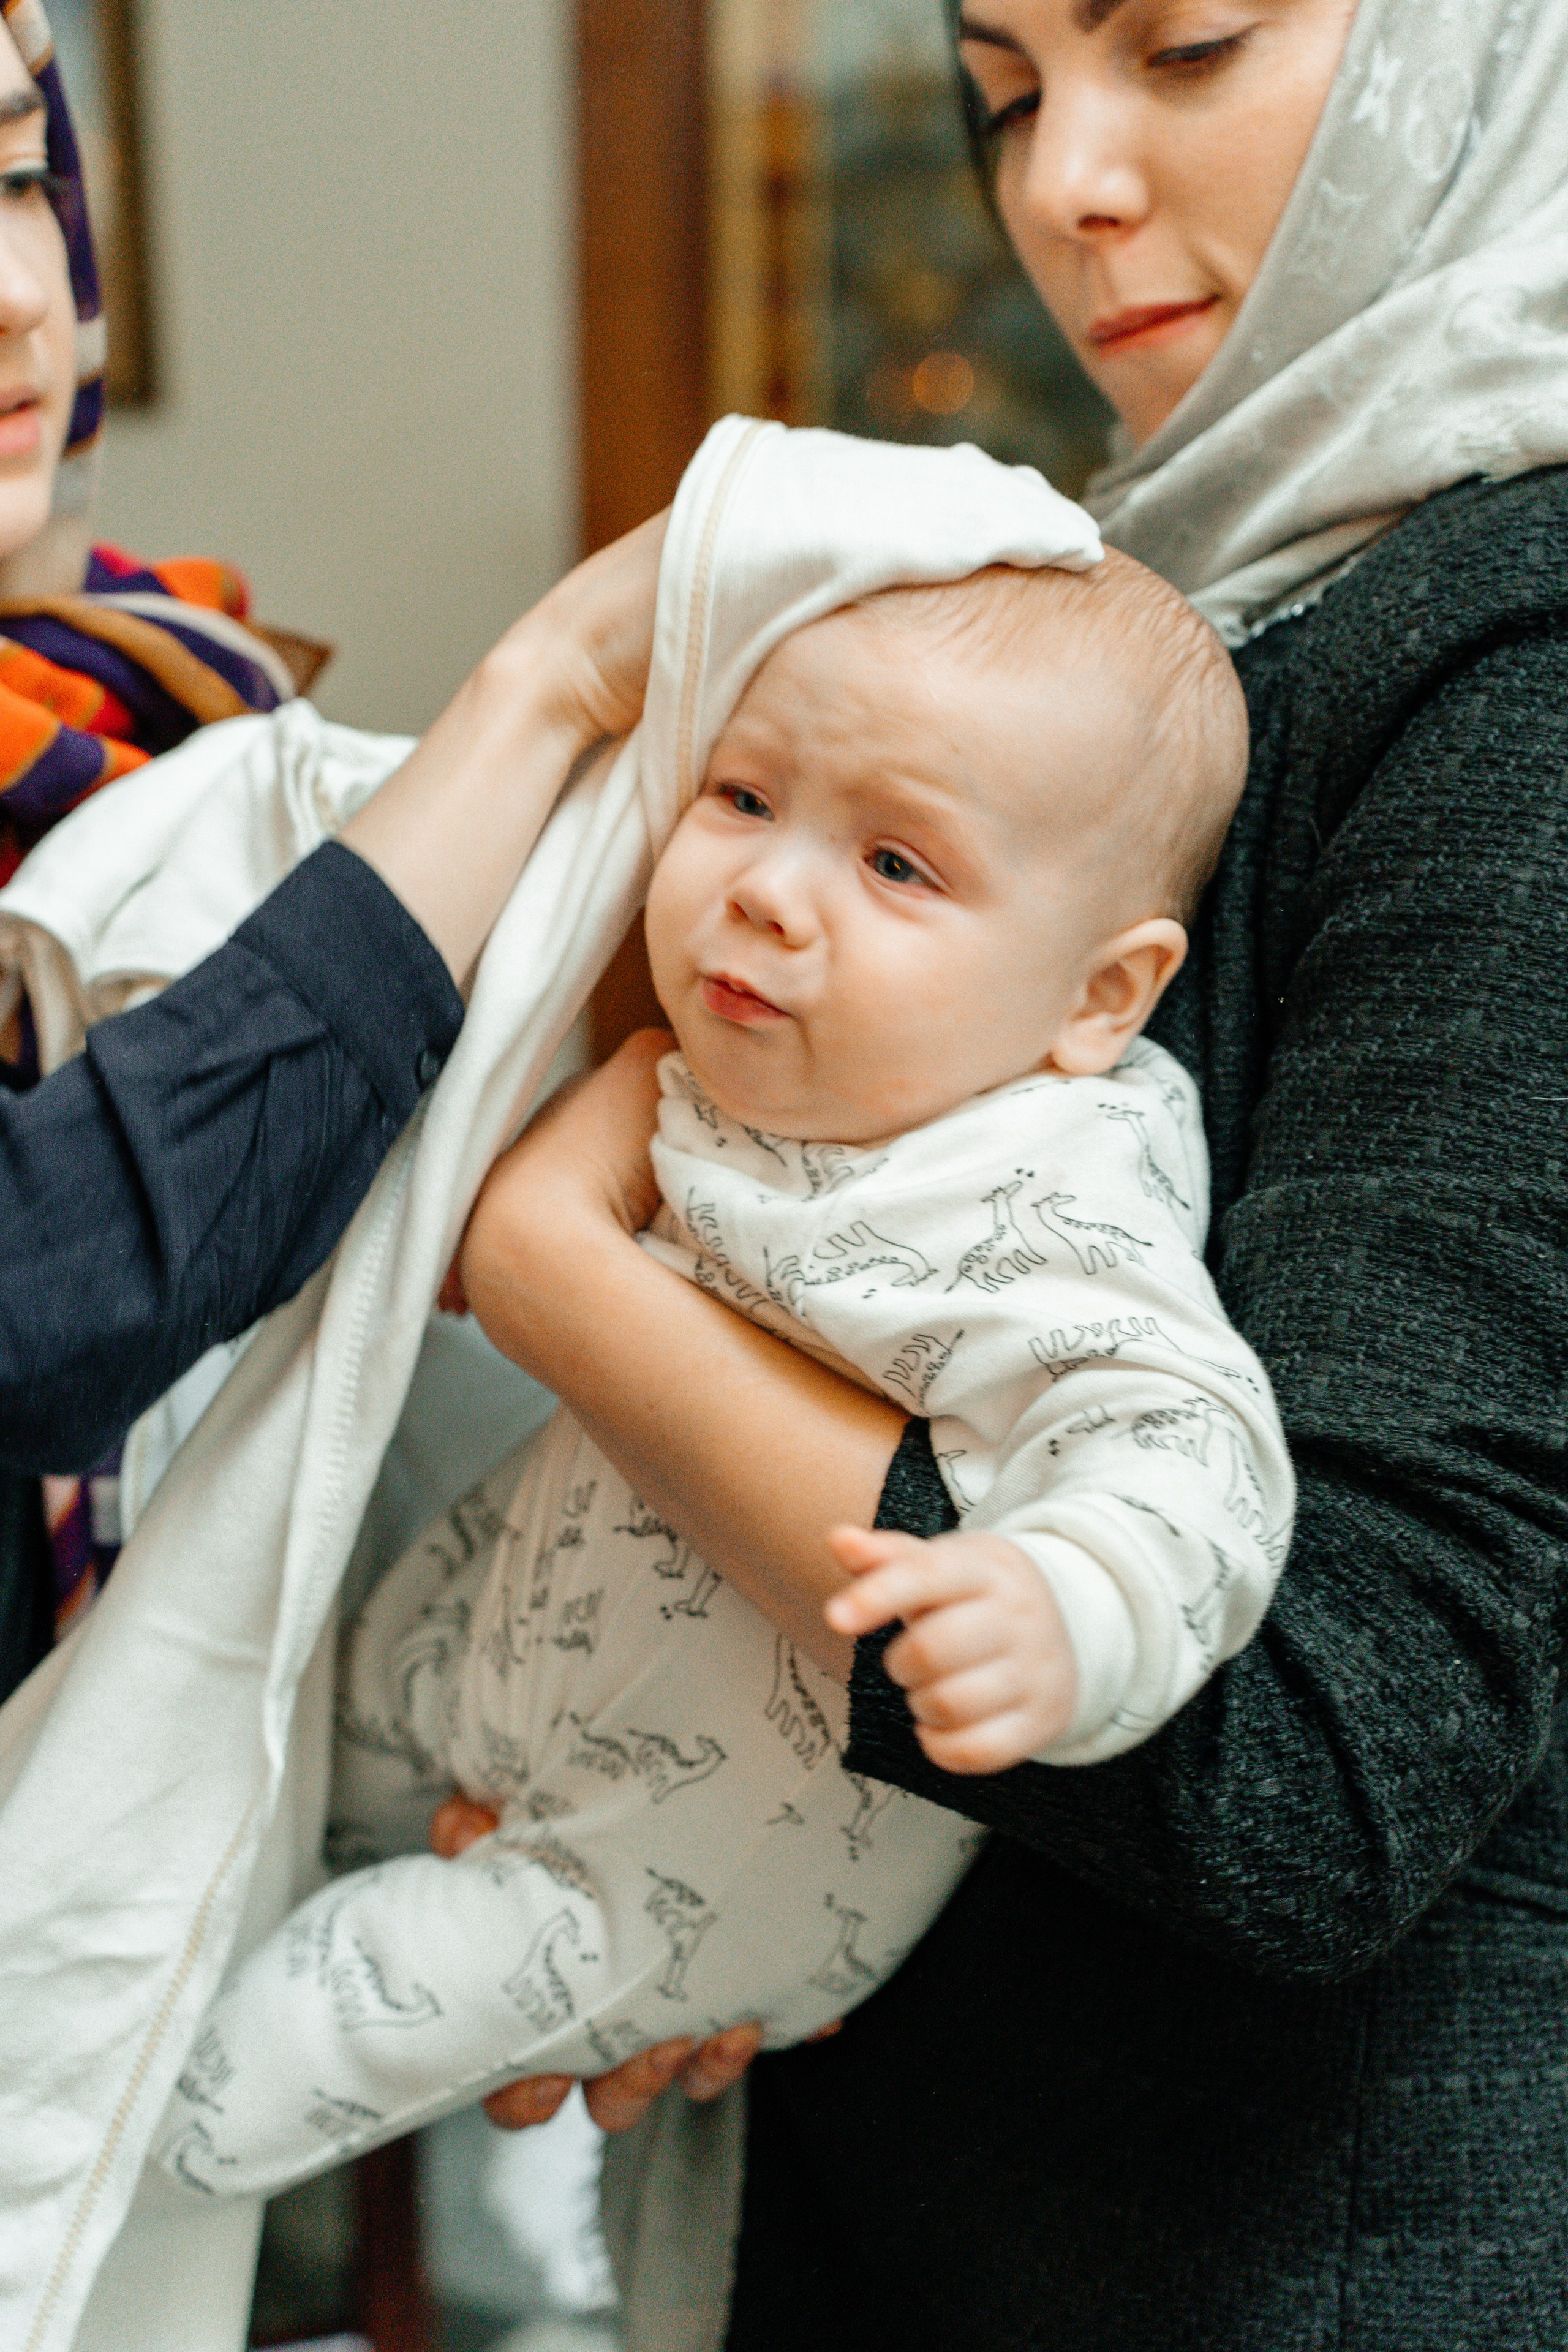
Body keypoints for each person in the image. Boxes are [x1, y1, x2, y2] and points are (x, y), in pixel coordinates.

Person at [440, 0, 1568, 2342]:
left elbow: (1321, 1765)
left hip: (1295, 2243)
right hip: (982, 2177)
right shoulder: (1191, 597)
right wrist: (709, 1834)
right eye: (1006, 90)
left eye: (1186, 45)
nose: (1063, 185)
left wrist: (567, 1274)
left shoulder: (1522, 663)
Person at [149, 541, 1292, 2200]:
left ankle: (97, 2137)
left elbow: (1191, 1440)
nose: (766, 888)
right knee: (212, 1758)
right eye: (746, 797)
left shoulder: (1041, 1189)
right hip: (492, 1639)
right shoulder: (725, 1078)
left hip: (677, 1875)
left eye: (896, 863)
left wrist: (1069, 1600)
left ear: (1098, 997)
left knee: (254, 2065)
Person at [0, 2, 666, 1712]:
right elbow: (42, 1291)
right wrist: (543, 687)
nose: (18, 297)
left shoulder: (154, 698)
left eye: (13, 177)